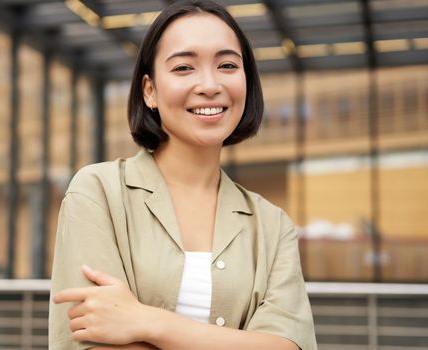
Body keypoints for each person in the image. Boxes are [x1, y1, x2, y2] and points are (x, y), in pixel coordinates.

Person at [49, 1, 317, 349]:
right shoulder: (98, 193)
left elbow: (288, 345)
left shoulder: (271, 226)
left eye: (227, 65)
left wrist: (147, 321)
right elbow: (92, 339)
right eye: (184, 67)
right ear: (150, 91)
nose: (209, 85)